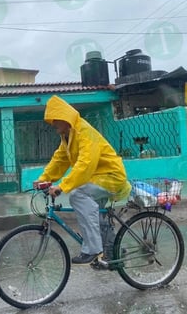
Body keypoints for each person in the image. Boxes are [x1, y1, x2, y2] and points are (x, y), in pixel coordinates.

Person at [34, 95, 131, 265]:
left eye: (56, 121)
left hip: (111, 177)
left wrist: (62, 187)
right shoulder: (68, 136)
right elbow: (60, 159)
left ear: (64, 117)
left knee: (77, 195)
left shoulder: (84, 133)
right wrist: (44, 179)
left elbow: (85, 165)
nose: (55, 126)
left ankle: (93, 250)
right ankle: (114, 251)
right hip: (97, 179)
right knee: (96, 217)